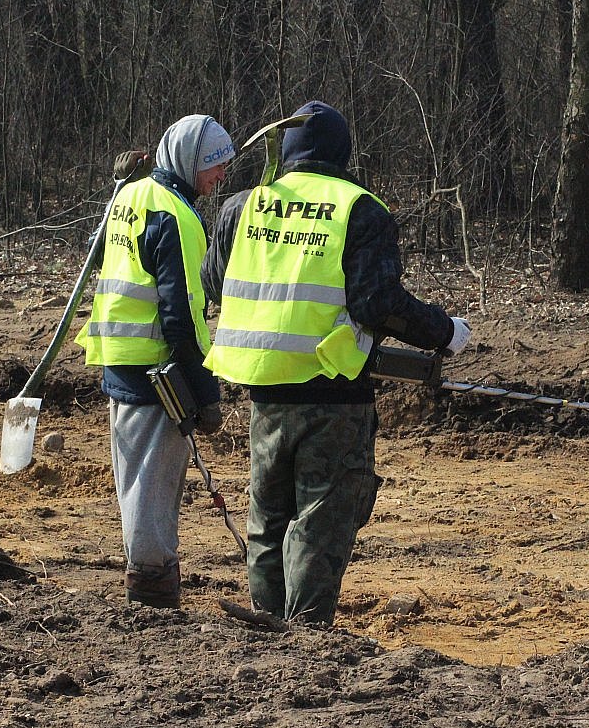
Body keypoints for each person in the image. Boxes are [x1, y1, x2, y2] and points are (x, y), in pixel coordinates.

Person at [202, 100, 471, 625]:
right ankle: (307, 637)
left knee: (268, 518)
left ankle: (265, 623)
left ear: (286, 150)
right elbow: (378, 303)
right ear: (343, 153)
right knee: (319, 522)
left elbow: (214, 283)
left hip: (265, 391)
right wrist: (443, 331)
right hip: (334, 393)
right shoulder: (360, 209)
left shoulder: (242, 206)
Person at [76, 114, 235, 608]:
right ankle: (151, 588)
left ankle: (149, 578)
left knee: (135, 482)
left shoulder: (130, 196)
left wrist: (116, 189)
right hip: (158, 371)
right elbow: (181, 317)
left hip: (119, 360)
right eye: (215, 168)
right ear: (190, 163)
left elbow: (94, 253)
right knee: (153, 486)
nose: (221, 179)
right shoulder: (178, 218)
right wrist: (206, 391)